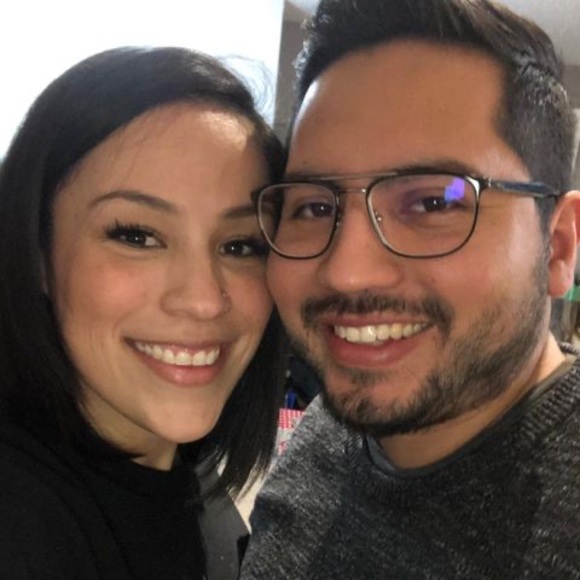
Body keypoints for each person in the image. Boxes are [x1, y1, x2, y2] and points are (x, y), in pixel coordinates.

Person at [241, 0, 580, 578]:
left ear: (559, 246)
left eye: (434, 202)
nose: (346, 272)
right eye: (314, 207)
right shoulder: (330, 430)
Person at [0, 45, 287, 580]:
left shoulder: (191, 473)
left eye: (240, 245)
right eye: (137, 236)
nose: (204, 299)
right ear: (35, 252)